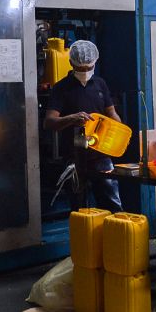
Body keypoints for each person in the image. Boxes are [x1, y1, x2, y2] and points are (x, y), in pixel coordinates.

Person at [43, 39, 122, 212]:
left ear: (94, 63)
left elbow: (112, 113)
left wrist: (118, 127)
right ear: (71, 63)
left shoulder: (100, 84)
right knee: (79, 208)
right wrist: (71, 118)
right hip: (74, 156)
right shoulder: (61, 88)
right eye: (81, 68)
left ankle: (114, 236)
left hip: (101, 155)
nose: (85, 72)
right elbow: (49, 122)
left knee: (112, 204)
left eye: (88, 68)